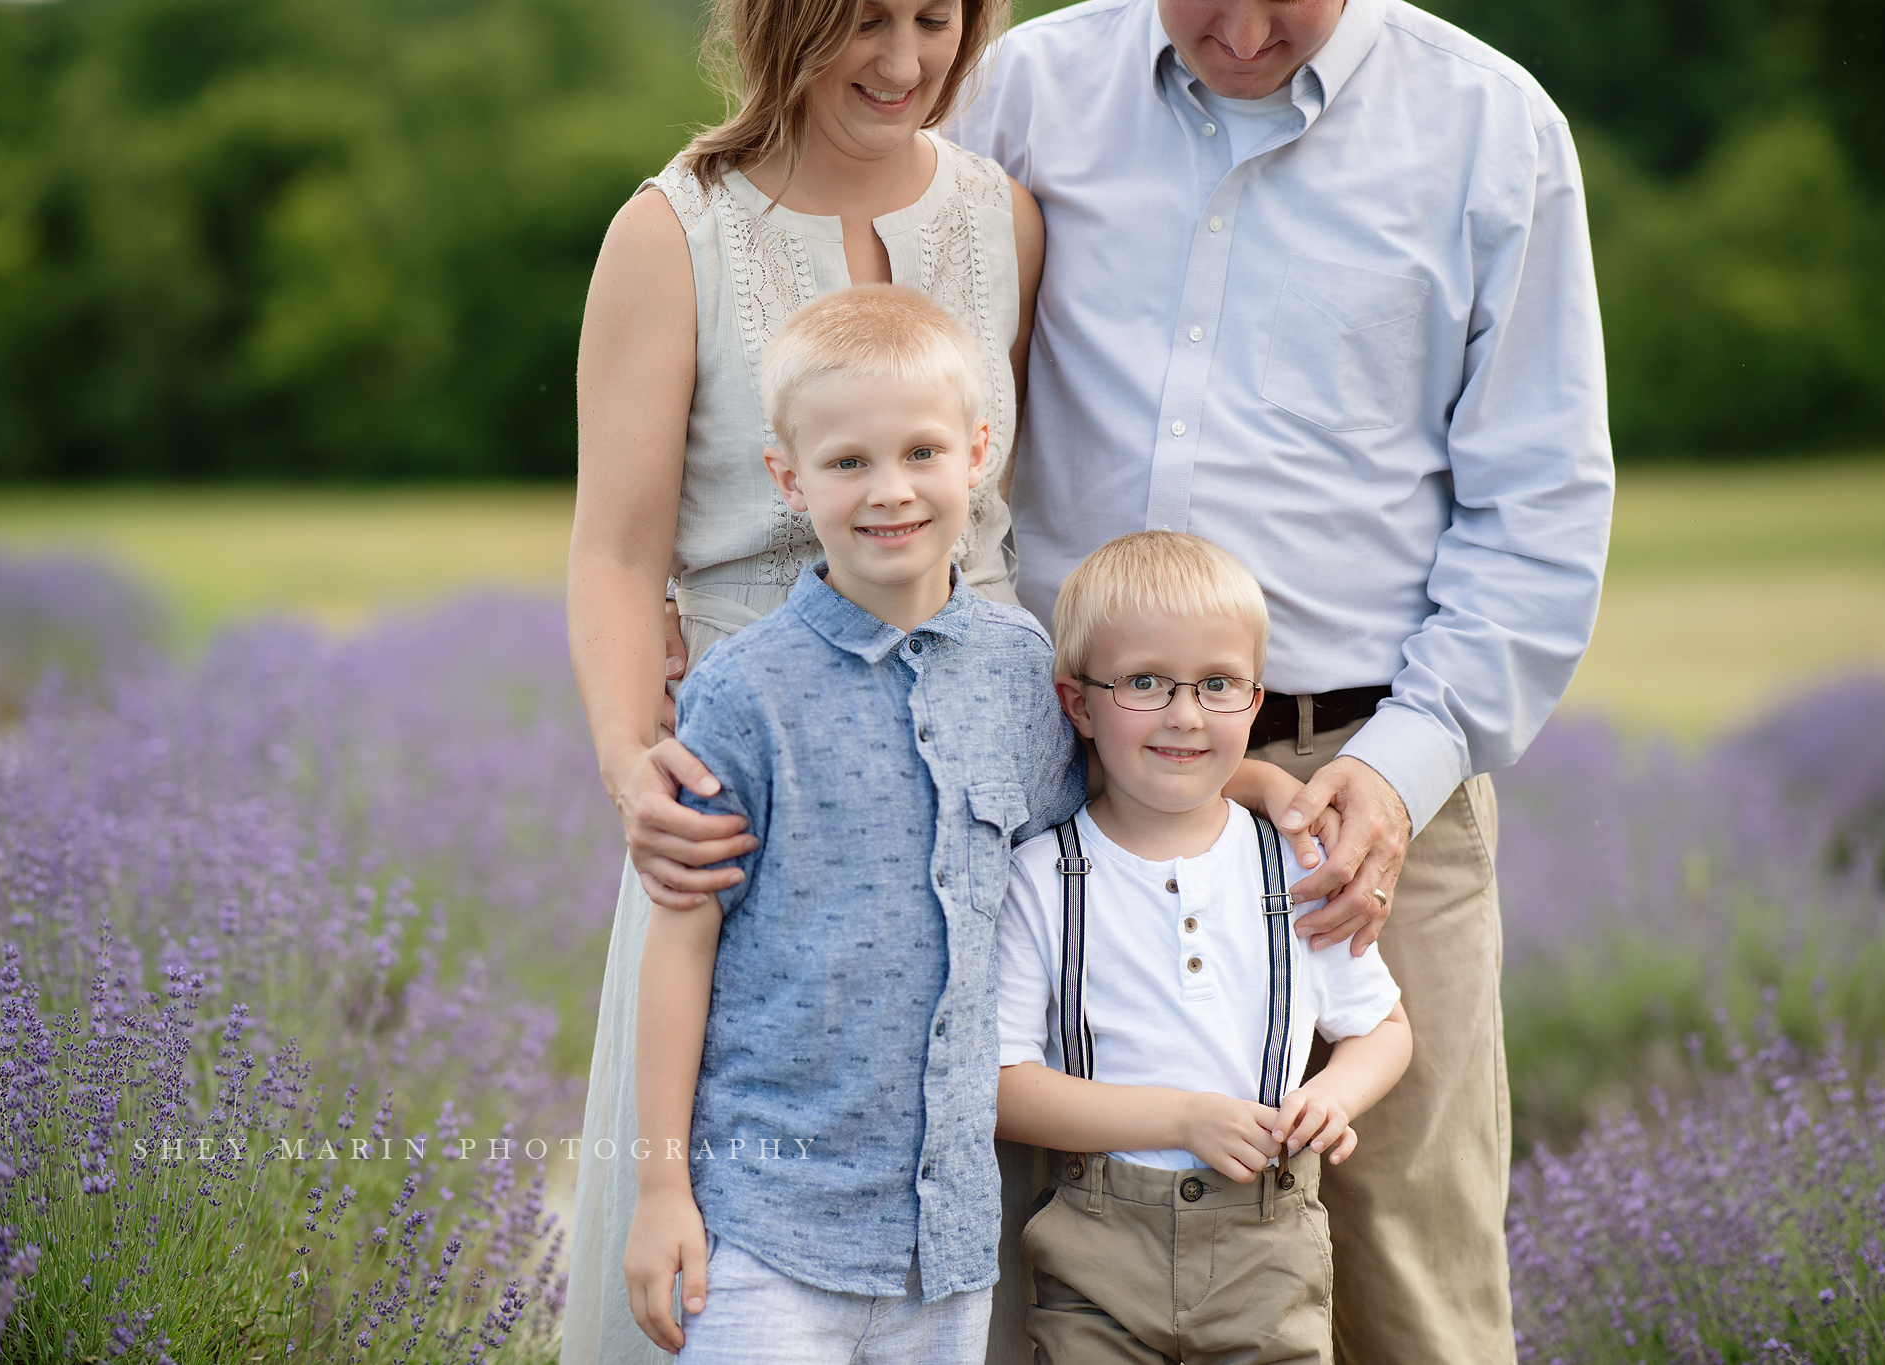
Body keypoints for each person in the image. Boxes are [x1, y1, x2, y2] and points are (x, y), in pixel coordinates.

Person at [946, 0, 1616, 1359]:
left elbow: (1541, 505)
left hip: (1365, 785)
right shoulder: (1017, 94)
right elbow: (892, 382)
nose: (1244, 30)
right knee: (1033, 1264)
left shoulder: (1494, 130)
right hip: (1057, 761)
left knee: (1405, 1273)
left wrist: (1403, 765)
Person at [560, 0, 1041, 1350]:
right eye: (859, 24)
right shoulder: (676, 234)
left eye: (932, 18)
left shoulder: (1005, 219)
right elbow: (612, 554)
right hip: (748, 810)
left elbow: (1003, 507)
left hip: (968, 803)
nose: (903, 62)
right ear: (782, 24)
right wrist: (632, 772)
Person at [620, 285, 1082, 1364]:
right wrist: (659, 1189)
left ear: (977, 454)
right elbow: (681, 940)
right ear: (789, 479)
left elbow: (1077, 856)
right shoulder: (743, 695)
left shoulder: (1018, 669)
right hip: (765, 1227)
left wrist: (1254, 789)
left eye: (922, 453)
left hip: (946, 1240)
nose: (890, 492)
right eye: (847, 464)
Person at [996, 531, 1411, 1364]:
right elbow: (1003, 1086)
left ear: (1255, 701)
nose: (1185, 714)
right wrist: (1181, 1115)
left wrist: (1337, 1095)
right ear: (1078, 703)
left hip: (1267, 1252)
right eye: (1145, 682)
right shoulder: (1045, 876)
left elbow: (1384, 1029)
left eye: (1217, 684)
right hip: (1096, 1257)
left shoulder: (1295, 868)